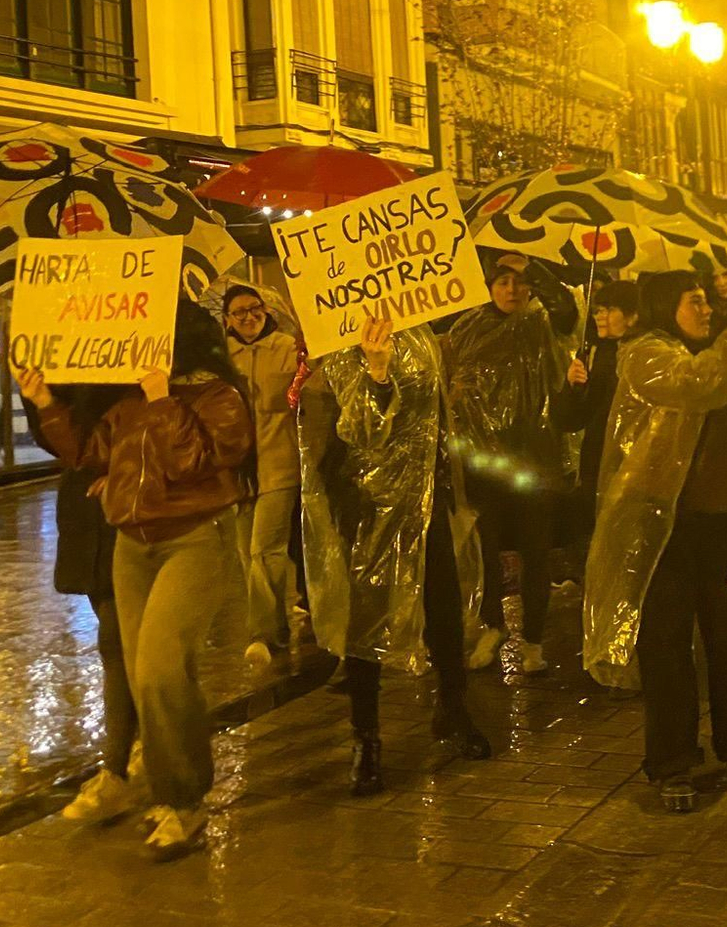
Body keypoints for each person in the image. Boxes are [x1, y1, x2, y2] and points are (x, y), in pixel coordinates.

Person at [22, 300, 254, 858]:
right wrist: (46, 403)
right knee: (146, 673)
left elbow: (191, 462)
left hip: (193, 541)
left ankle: (184, 801)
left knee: (159, 670)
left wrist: (163, 401)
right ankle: (169, 789)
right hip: (132, 546)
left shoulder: (218, 397)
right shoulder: (129, 400)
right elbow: (90, 452)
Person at [584, 273, 727, 812]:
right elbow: (695, 384)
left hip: (725, 519)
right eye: (694, 301)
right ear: (665, 306)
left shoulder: (723, 353)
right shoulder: (646, 354)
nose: (707, 309)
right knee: (667, 646)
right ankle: (672, 762)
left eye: (707, 300)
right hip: (664, 526)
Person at [299, 316, 492, 796]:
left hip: (427, 501)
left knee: (443, 610)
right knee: (366, 622)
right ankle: (366, 738)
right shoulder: (342, 346)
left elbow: (438, 415)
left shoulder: (422, 338)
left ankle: (453, 710)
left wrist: (451, 481)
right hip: (369, 506)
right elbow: (359, 430)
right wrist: (378, 373)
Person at [443, 253, 575, 675]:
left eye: (519, 282)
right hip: (484, 463)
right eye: (503, 281)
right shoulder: (467, 327)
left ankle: (533, 640)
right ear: (489, 286)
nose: (512, 290)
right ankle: (492, 625)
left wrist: (531, 266)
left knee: (536, 553)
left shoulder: (542, 323)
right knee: (486, 552)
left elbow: (566, 309)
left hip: (534, 460)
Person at [24, 381, 138, 822]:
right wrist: (38, 397)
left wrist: (127, 468)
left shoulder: (143, 365)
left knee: (117, 643)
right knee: (119, 643)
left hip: (136, 502)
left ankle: (117, 768)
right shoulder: (67, 373)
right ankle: (140, 745)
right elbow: (55, 440)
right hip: (86, 510)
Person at [223, 283, 304, 670]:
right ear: (227, 319)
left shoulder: (287, 348)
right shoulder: (222, 357)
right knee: (247, 554)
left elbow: (308, 389)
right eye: (239, 312)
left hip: (280, 466)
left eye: (254, 308)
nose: (249, 317)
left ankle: (261, 634)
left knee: (264, 550)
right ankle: (279, 630)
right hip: (240, 472)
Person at [555, 279, 640, 578]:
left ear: (633, 316)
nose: (599, 316)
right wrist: (572, 386)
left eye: (609, 309)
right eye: (598, 310)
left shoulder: (645, 354)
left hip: (632, 463)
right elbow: (571, 420)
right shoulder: (594, 352)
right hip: (598, 461)